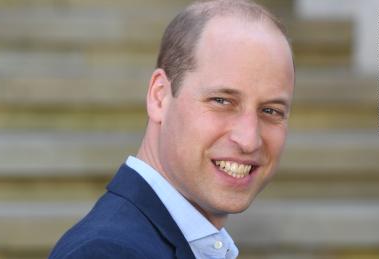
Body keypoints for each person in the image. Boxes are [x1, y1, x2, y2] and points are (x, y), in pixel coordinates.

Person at [49, 0, 295, 258]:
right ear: (159, 97)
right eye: (222, 101)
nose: (249, 139)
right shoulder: (105, 252)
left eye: (271, 111)